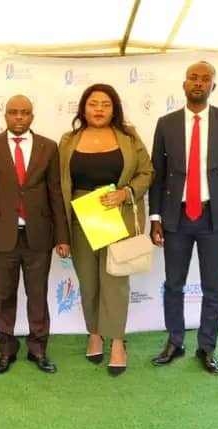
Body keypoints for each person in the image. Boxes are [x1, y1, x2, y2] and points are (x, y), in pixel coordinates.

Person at [148, 61, 218, 375]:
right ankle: (175, 342)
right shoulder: (166, 124)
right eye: (193, 77)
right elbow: (157, 174)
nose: (199, 83)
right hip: (176, 216)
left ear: (213, 86)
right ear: (184, 83)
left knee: (213, 286)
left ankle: (207, 347)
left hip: (213, 216)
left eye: (205, 79)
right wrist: (155, 217)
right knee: (174, 284)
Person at [58, 84, 154, 376]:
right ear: (83, 108)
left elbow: (147, 172)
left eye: (105, 104)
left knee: (115, 281)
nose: (98, 109)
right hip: (81, 217)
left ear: (114, 109)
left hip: (118, 216)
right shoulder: (69, 140)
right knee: (88, 281)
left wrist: (126, 192)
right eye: (93, 104)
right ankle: (95, 333)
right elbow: (60, 181)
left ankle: (117, 342)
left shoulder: (129, 137)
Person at [0, 95, 70, 375]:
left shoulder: (48, 147)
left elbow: (55, 193)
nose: (19, 117)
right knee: (4, 295)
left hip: (38, 235)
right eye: (13, 112)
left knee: (37, 295)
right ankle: (6, 350)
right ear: (5, 115)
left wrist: (62, 236)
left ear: (32, 116)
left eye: (24, 112)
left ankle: (38, 348)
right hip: (1, 235)